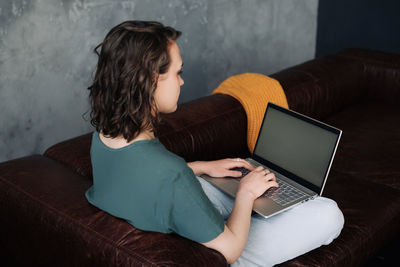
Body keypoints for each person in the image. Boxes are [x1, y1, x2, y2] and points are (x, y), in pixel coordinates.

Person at [85, 20, 344, 266]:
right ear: (151, 81)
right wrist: (245, 193)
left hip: (171, 216)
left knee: (241, 182)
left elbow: (145, 177)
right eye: (178, 73)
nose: (182, 81)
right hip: (215, 252)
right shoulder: (170, 174)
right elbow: (230, 251)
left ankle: (273, 201)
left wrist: (201, 166)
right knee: (328, 213)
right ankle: (269, 202)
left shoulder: (105, 135)